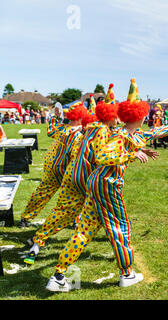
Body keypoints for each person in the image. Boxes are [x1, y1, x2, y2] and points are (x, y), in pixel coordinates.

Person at [45, 79, 168, 292]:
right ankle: (127, 274)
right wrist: (131, 154)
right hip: (107, 184)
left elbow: (155, 133)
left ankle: (58, 276)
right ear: (139, 115)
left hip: (96, 182)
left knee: (85, 230)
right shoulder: (120, 136)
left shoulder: (128, 134)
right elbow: (103, 155)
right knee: (120, 228)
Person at [24, 101, 118, 265]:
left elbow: (51, 131)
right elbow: (100, 155)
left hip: (64, 170)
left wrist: (55, 117)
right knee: (102, 213)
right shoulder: (89, 132)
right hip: (79, 175)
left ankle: (36, 236)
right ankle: (120, 251)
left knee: (57, 206)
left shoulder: (76, 130)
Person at [18, 103, 87, 228]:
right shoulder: (78, 135)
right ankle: (75, 220)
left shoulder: (61, 129)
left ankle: (25, 218)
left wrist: (55, 117)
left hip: (52, 165)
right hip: (66, 168)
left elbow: (50, 130)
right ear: (80, 117)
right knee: (75, 194)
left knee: (42, 193)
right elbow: (76, 156)